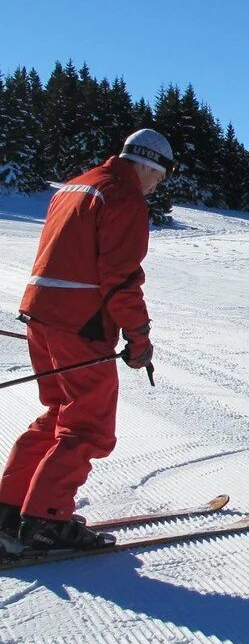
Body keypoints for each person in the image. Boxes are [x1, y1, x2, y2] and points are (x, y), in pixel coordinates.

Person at [0, 129, 172, 553]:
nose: (156, 187)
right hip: (80, 322)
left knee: (60, 411)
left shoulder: (79, 184)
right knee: (88, 425)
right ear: (148, 166)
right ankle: (46, 522)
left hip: (40, 313)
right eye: (160, 178)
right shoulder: (123, 197)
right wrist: (138, 337)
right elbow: (121, 278)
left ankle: (10, 508)